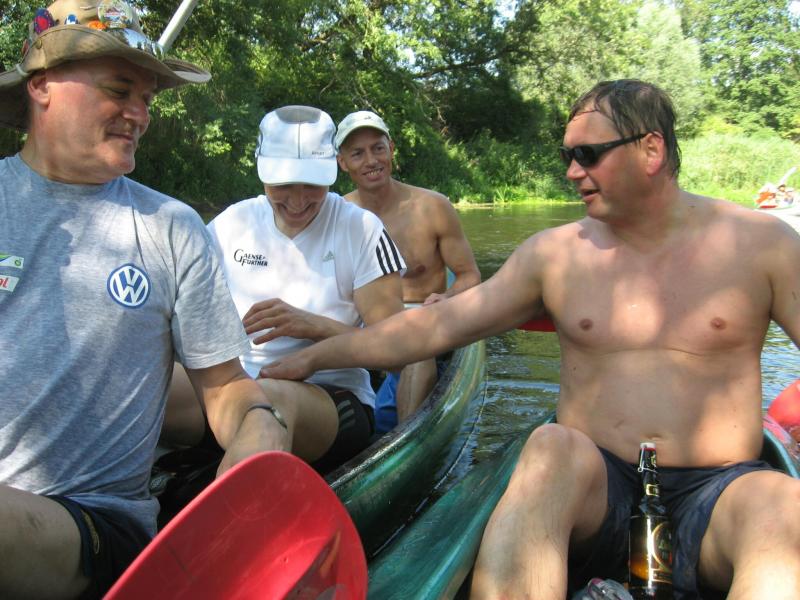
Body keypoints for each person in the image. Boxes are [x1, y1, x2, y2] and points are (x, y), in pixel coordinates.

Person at [264, 80, 800, 599]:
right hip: (596, 488)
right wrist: (313, 359)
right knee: (549, 446)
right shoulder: (555, 256)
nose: (572, 172)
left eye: (588, 155)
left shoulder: (762, 244)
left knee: (782, 505)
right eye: (568, 156)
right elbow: (432, 327)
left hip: (722, 490)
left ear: (651, 150)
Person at [0, 1, 287, 597]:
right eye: (119, 90)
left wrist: (261, 425)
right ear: (42, 86)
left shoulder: (170, 227)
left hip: (96, 528)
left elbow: (225, 387)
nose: (139, 114)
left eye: (147, 99)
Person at [165, 105, 407, 472]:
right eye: (282, 185)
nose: (297, 201)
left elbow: (396, 354)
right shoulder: (232, 224)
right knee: (138, 382)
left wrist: (313, 327)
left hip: (329, 399)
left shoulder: (362, 229)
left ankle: (231, 505)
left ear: (332, 169)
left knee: (266, 402)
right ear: (261, 169)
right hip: (232, 387)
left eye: (312, 185)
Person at [335, 110, 481, 431]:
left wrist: (447, 298)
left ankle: (402, 440)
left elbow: (469, 275)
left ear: (391, 149)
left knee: (418, 345)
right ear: (342, 162)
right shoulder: (337, 215)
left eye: (378, 148)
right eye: (357, 153)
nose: (371, 160)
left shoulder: (432, 207)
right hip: (364, 329)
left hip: (423, 324)